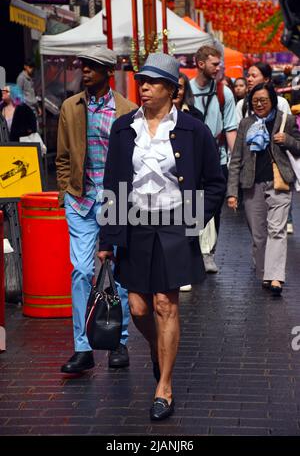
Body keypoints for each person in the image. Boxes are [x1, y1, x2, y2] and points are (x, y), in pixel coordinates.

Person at [97, 53, 226, 421]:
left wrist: (194, 221)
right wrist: (107, 240)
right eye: (142, 82)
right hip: (134, 223)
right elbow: (113, 186)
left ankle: (164, 387)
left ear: (171, 89)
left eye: (153, 82)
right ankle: (158, 349)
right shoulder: (124, 128)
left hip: (173, 223)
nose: (145, 87)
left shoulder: (193, 129)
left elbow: (214, 184)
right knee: (138, 308)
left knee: (165, 305)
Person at [56, 45, 137, 374]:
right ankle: (83, 347)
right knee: (81, 272)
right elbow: (62, 156)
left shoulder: (128, 111)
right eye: (82, 66)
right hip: (80, 200)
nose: (84, 71)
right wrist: (66, 192)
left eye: (91, 67)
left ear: (108, 71)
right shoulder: (70, 107)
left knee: (118, 275)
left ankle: (118, 341)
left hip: (115, 201)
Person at [227, 83, 300, 296]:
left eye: (264, 101)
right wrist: (232, 192)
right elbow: (236, 159)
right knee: (259, 235)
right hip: (252, 185)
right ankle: (264, 273)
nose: (259, 104)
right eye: (255, 101)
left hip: (279, 181)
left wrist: (287, 140)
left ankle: (275, 277)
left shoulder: (284, 120)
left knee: (277, 230)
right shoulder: (245, 124)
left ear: (273, 101)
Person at [190, 45, 237, 273]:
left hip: (217, 159)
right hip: (190, 159)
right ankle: (193, 249)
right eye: (215, 64)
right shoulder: (185, 90)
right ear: (201, 64)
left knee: (213, 207)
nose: (219, 68)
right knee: (191, 204)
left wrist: (235, 161)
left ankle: (209, 252)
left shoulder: (223, 93)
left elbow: (230, 128)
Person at [173, 72, 203, 292]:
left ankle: (184, 270)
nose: (177, 91)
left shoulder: (195, 117)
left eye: (181, 87)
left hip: (190, 182)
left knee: (189, 229)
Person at [16, 59, 41, 124]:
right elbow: (18, 94)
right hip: (26, 108)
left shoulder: (31, 78)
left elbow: (33, 94)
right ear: (25, 66)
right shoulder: (21, 78)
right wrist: (19, 110)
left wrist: (38, 107)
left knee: (36, 129)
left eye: (33, 67)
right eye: (30, 66)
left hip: (33, 107)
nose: (32, 69)